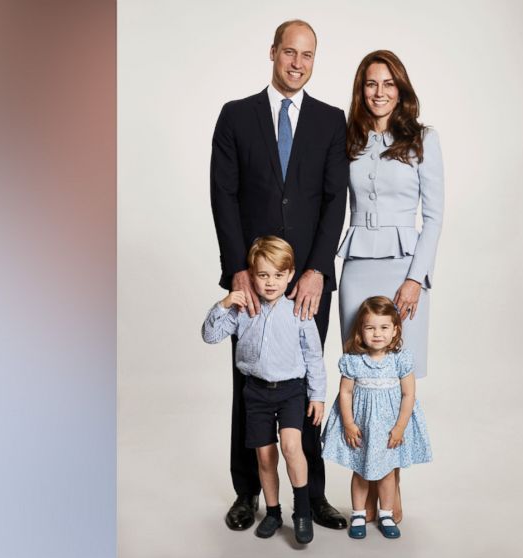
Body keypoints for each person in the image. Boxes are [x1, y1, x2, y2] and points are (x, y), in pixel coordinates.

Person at [209, 19, 348, 532]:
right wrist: (237, 272)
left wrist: (316, 270)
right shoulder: (236, 116)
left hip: (307, 285)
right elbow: (222, 195)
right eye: (289, 52)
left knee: (306, 385)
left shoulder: (332, 122)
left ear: (315, 60)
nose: (297, 63)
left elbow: (337, 201)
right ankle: (247, 491)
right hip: (253, 281)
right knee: (247, 386)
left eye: (307, 55)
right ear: (273, 53)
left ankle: (311, 497)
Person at [336, 50, 444, 522]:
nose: (378, 92)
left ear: (401, 89)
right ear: (361, 91)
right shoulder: (349, 140)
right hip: (357, 265)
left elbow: (435, 216)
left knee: (397, 377)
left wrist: (415, 278)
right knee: (362, 380)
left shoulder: (424, 139)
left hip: (404, 267)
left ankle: (392, 484)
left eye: (388, 83)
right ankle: (364, 491)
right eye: (370, 84)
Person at [202, 236, 327, 544]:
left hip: (291, 392)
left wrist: (318, 395)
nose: (271, 283)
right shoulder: (244, 309)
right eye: (263, 275)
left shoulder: (298, 311)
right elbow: (209, 335)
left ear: (290, 274)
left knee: (290, 446)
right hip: (256, 392)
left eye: (278, 275)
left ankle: (302, 511)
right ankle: (273, 512)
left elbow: (314, 356)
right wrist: (224, 303)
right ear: (252, 274)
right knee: (265, 457)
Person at [321, 296, 433, 540]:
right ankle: (359, 513)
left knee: (387, 472)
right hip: (363, 428)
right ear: (361, 331)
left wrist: (400, 427)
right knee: (360, 471)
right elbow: (345, 393)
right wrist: (349, 424)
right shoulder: (353, 361)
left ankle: (386, 513)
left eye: (384, 327)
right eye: (370, 327)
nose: (377, 334)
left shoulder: (400, 360)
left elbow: (408, 394)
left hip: (390, 429)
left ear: (395, 330)